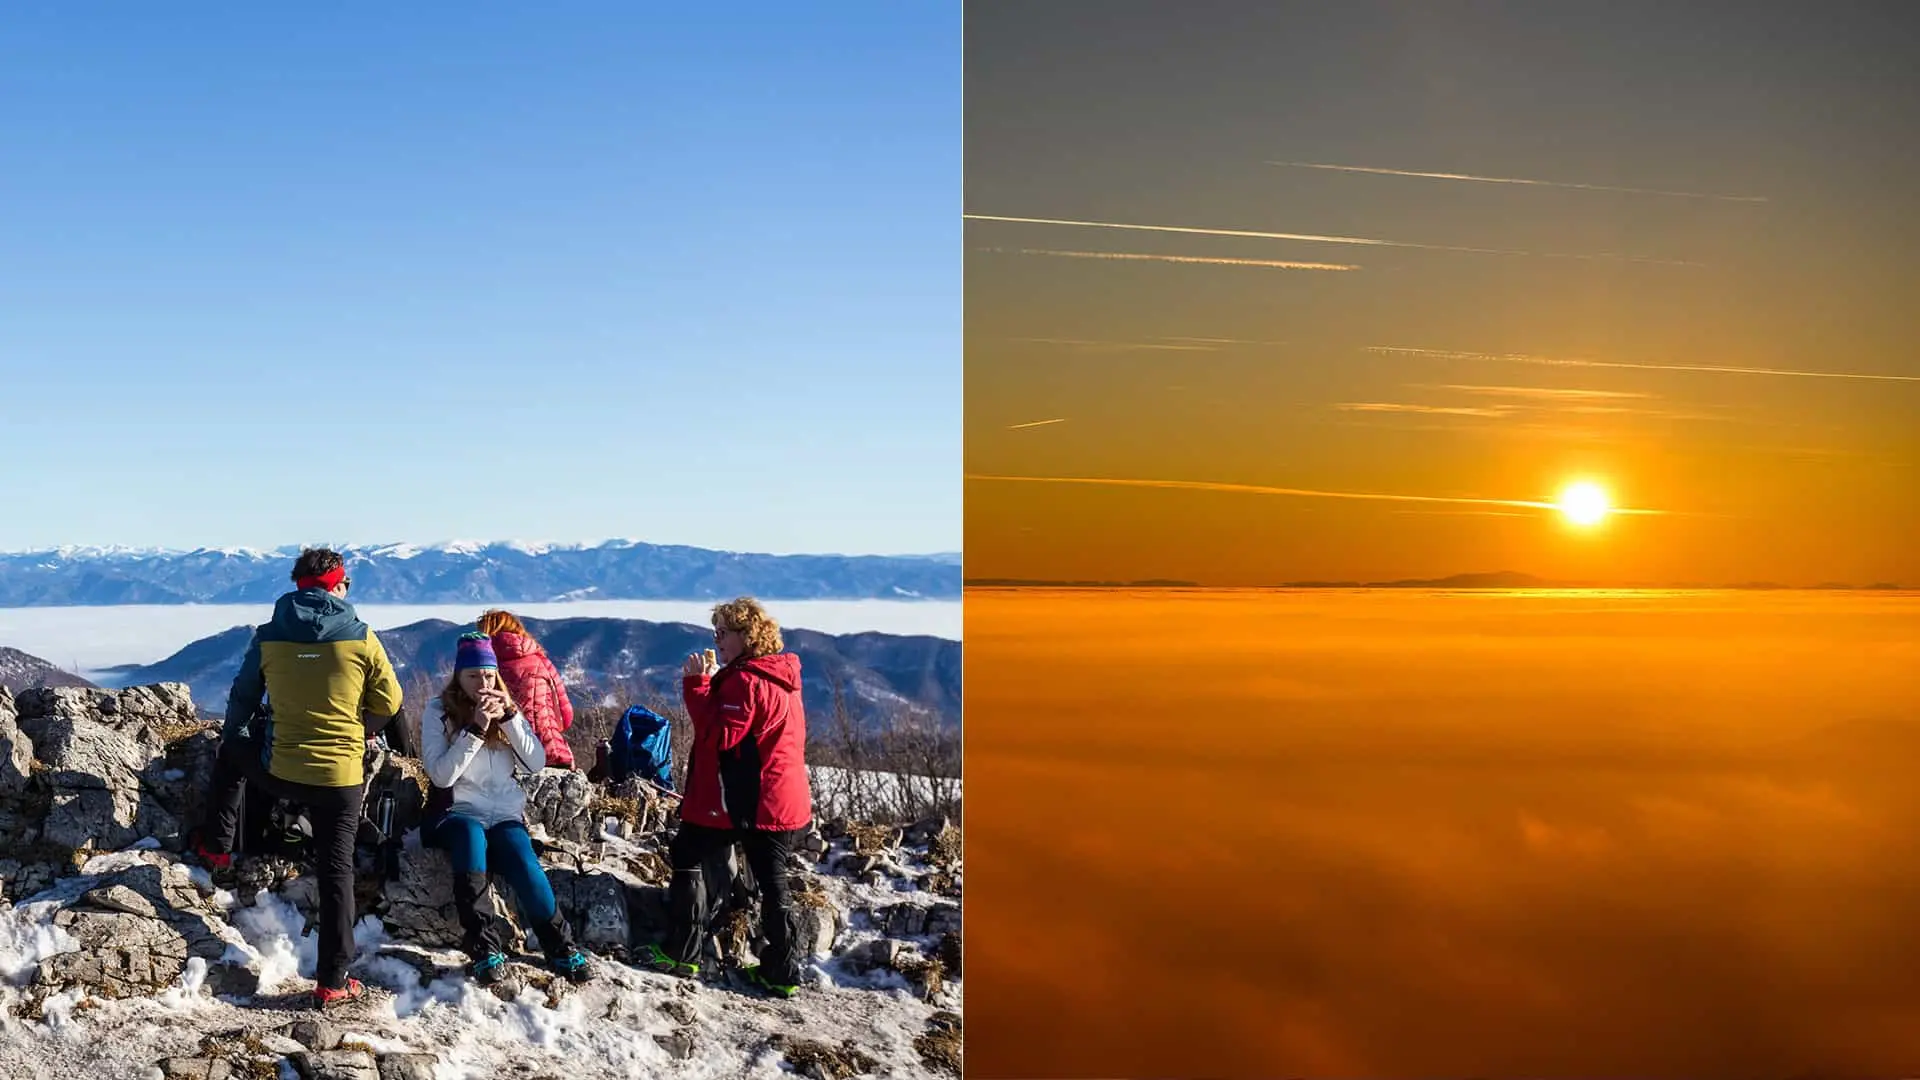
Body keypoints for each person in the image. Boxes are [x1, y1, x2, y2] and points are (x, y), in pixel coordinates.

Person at [192, 547, 404, 1008]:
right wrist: (360, 729)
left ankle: (218, 848)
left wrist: (239, 741)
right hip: (341, 777)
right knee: (336, 871)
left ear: (297, 584)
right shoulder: (362, 637)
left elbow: (242, 699)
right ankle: (332, 981)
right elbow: (389, 703)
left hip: (280, 771)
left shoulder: (269, 636)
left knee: (232, 757)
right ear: (339, 586)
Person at [641, 597, 813, 997]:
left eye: (723, 632)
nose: (716, 640)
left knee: (686, 852)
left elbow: (720, 737)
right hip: (781, 798)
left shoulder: (744, 681)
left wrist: (697, 685)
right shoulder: (780, 676)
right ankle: (782, 971)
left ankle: (683, 950)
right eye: (715, 632)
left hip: (746, 799)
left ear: (746, 636)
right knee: (774, 883)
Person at [419, 632, 591, 985]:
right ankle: (484, 946)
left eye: (488, 675)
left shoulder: (507, 710)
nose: (482, 684)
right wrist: (476, 729)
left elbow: (535, 762)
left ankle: (560, 946)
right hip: (455, 813)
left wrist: (510, 718)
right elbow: (441, 776)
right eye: (473, 676)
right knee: (470, 838)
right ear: (458, 676)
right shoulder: (438, 711)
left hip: (504, 815)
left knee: (523, 859)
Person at [475, 610, 577, 769]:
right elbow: (565, 717)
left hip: (504, 756)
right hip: (550, 750)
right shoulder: (541, 662)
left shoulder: (482, 669)